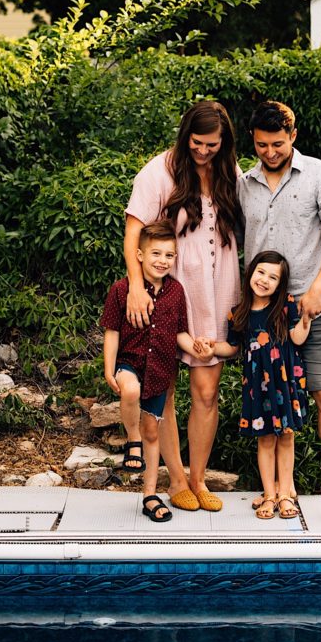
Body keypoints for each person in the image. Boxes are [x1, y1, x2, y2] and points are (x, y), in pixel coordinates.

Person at [238, 100, 321, 527]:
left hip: (313, 306)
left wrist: (316, 290)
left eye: (277, 143)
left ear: (293, 136)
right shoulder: (243, 183)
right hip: (261, 314)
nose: (269, 152)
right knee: (269, 405)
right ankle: (276, 490)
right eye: (261, 145)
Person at [124, 101, 242, 512]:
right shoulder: (160, 171)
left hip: (220, 289)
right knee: (166, 389)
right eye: (198, 143)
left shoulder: (230, 173)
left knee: (207, 391)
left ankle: (198, 477)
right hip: (173, 291)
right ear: (185, 135)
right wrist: (137, 287)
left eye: (213, 144)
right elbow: (134, 230)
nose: (204, 151)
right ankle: (175, 479)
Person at [100, 221, 204, 522]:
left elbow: (179, 333)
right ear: (140, 254)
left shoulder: (175, 291)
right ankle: (132, 441)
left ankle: (149, 494)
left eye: (169, 256)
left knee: (153, 432)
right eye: (156, 253)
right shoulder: (122, 289)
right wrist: (109, 369)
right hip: (129, 363)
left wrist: (194, 345)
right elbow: (111, 331)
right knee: (130, 392)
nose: (162, 260)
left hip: (159, 370)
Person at [209, 251, 310, 520]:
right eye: (261, 272)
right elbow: (231, 347)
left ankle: (286, 494)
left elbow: (297, 338)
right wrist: (208, 347)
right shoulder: (238, 314)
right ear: (250, 272)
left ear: (280, 284)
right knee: (265, 439)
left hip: (285, 382)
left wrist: (307, 318)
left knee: (286, 435)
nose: (264, 280)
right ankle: (269, 494)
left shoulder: (285, 306)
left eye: (273, 277)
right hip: (259, 386)